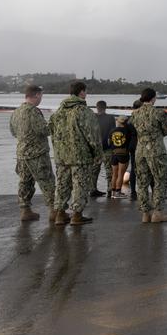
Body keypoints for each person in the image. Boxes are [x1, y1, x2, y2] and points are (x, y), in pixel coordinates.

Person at [49, 81, 102, 226]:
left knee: (62, 185)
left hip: (61, 156)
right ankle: (76, 215)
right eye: (85, 91)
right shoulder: (83, 111)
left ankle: (60, 214)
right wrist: (98, 154)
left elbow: (52, 133)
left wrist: (57, 151)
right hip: (80, 156)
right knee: (80, 185)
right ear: (82, 92)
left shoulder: (58, 112)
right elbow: (93, 136)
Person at [9, 85, 57, 222]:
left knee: (25, 182)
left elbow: (13, 132)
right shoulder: (33, 112)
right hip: (37, 154)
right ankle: (54, 211)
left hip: (21, 154)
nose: (41, 99)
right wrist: (54, 122)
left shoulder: (16, 112)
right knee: (47, 181)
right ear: (36, 95)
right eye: (41, 96)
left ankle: (25, 211)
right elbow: (44, 130)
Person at [131, 87, 167, 223]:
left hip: (140, 151)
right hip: (156, 151)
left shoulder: (135, 113)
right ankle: (158, 213)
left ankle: (145, 214)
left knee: (142, 182)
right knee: (160, 180)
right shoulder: (159, 113)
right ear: (153, 98)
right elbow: (166, 131)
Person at [90, 100, 117, 198]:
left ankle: (93, 189)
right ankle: (110, 189)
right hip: (107, 148)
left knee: (94, 170)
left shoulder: (92, 118)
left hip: (95, 148)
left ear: (97, 107)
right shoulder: (110, 118)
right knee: (109, 170)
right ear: (105, 107)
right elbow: (113, 133)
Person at [108, 116, 132, 198]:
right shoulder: (127, 131)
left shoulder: (112, 130)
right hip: (123, 154)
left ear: (118, 121)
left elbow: (109, 142)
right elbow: (130, 142)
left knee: (114, 174)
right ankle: (118, 192)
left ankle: (113, 192)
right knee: (120, 174)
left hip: (114, 154)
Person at [126, 99, 141, 200]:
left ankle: (133, 192)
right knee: (149, 168)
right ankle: (153, 192)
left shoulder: (129, 120)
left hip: (131, 145)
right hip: (140, 144)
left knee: (133, 169)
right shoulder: (142, 118)